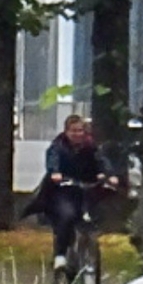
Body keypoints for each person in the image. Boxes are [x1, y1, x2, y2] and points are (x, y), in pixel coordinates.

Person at [27, 115, 119, 271]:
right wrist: (55, 173)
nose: (78, 134)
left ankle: (88, 246)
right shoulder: (58, 146)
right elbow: (52, 160)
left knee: (95, 211)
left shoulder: (90, 147)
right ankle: (60, 256)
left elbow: (100, 161)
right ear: (66, 131)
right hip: (63, 190)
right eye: (74, 131)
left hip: (85, 188)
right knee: (66, 215)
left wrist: (107, 174)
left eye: (80, 130)